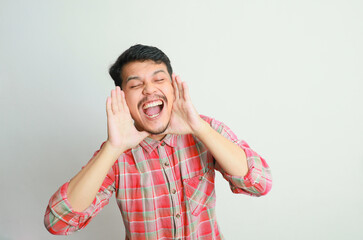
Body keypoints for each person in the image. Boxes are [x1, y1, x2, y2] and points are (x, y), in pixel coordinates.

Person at [44, 44, 272, 239]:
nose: (149, 89)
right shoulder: (116, 155)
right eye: (135, 85)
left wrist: (199, 128)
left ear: (172, 87)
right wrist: (112, 148)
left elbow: (260, 183)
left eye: (159, 79)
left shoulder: (205, 130)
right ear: (122, 97)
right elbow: (58, 222)